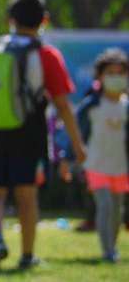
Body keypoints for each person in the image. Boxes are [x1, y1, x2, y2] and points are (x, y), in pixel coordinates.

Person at [0, 0, 86, 271]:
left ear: (9, 21)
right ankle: (27, 255)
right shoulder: (46, 54)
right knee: (26, 193)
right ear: (45, 20)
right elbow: (63, 105)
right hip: (29, 129)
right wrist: (78, 144)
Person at [76, 48, 129, 263]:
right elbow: (77, 133)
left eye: (120, 73)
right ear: (99, 76)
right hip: (96, 165)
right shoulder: (91, 106)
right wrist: (70, 157)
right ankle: (107, 250)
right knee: (105, 205)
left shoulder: (126, 106)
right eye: (110, 73)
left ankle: (113, 246)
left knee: (117, 211)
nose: (115, 78)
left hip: (121, 167)